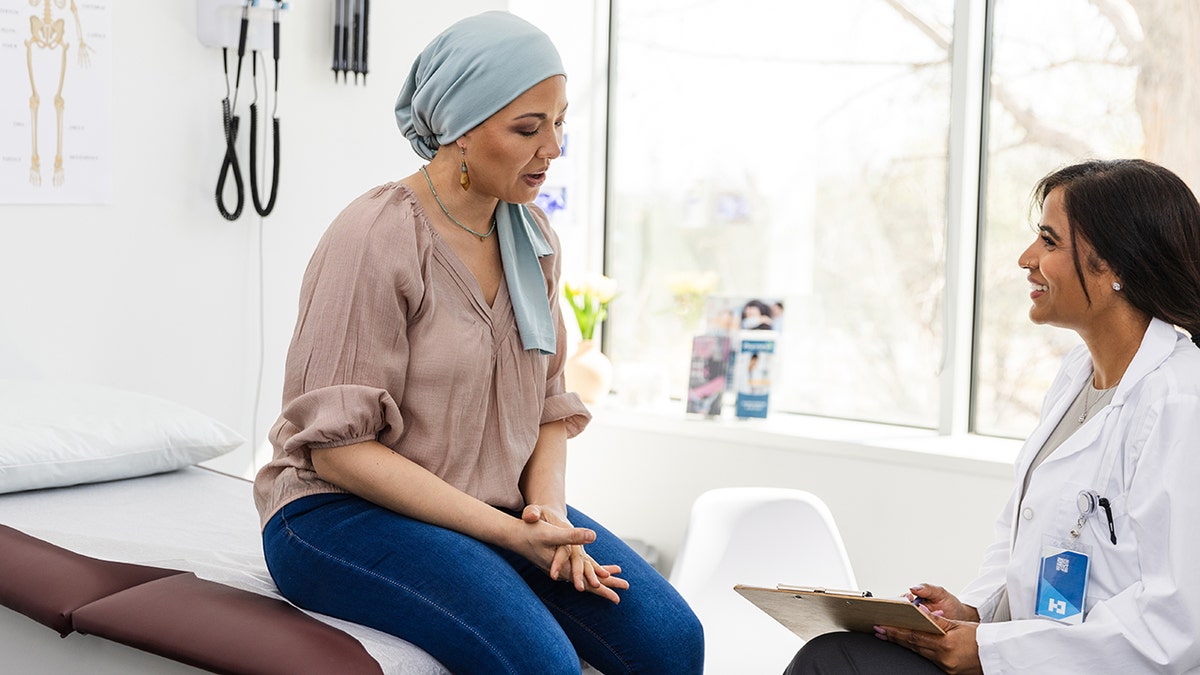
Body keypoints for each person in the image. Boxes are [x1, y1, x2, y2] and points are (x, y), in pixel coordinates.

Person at [252, 12, 703, 674]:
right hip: (337, 515)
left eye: (559, 122)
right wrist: (507, 534)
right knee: (542, 663)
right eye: (528, 128)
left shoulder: (533, 239)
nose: (553, 147)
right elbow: (337, 450)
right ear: (462, 130)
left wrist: (545, 514)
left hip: (494, 508)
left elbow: (550, 406)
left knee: (672, 638)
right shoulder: (374, 237)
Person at [784, 159, 1200, 675]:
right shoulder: (1078, 374)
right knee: (831, 655)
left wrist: (994, 651)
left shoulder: (1182, 401)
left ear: (1113, 266)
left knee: (833, 664)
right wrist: (973, 613)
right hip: (1030, 656)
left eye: (1049, 242)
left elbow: (1177, 624)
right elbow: (1027, 538)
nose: (1027, 259)